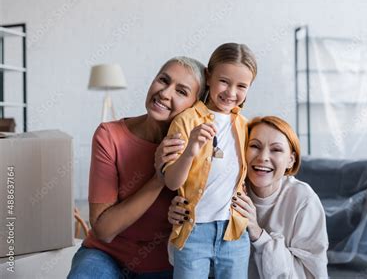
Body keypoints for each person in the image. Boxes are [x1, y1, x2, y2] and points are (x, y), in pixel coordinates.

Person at [68, 56, 206, 279]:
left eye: (181, 91)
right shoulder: (109, 135)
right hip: (106, 256)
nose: (165, 93)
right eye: (163, 80)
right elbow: (103, 230)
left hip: (168, 264)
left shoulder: (200, 149)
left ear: (197, 106)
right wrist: (159, 178)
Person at [168, 116, 329, 278]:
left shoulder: (303, 200)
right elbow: (189, 261)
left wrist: (258, 234)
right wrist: (185, 217)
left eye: (276, 150)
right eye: (254, 146)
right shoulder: (225, 189)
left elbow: (312, 274)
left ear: (291, 160)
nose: (263, 157)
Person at [162, 43, 258, 278]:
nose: (231, 92)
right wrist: (191, 149)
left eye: (241, 86)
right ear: (208, 76)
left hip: (234, 232)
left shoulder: (245, 126)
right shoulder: (186, 121)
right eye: (224, 81)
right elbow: (172, 183)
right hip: (194, 232)